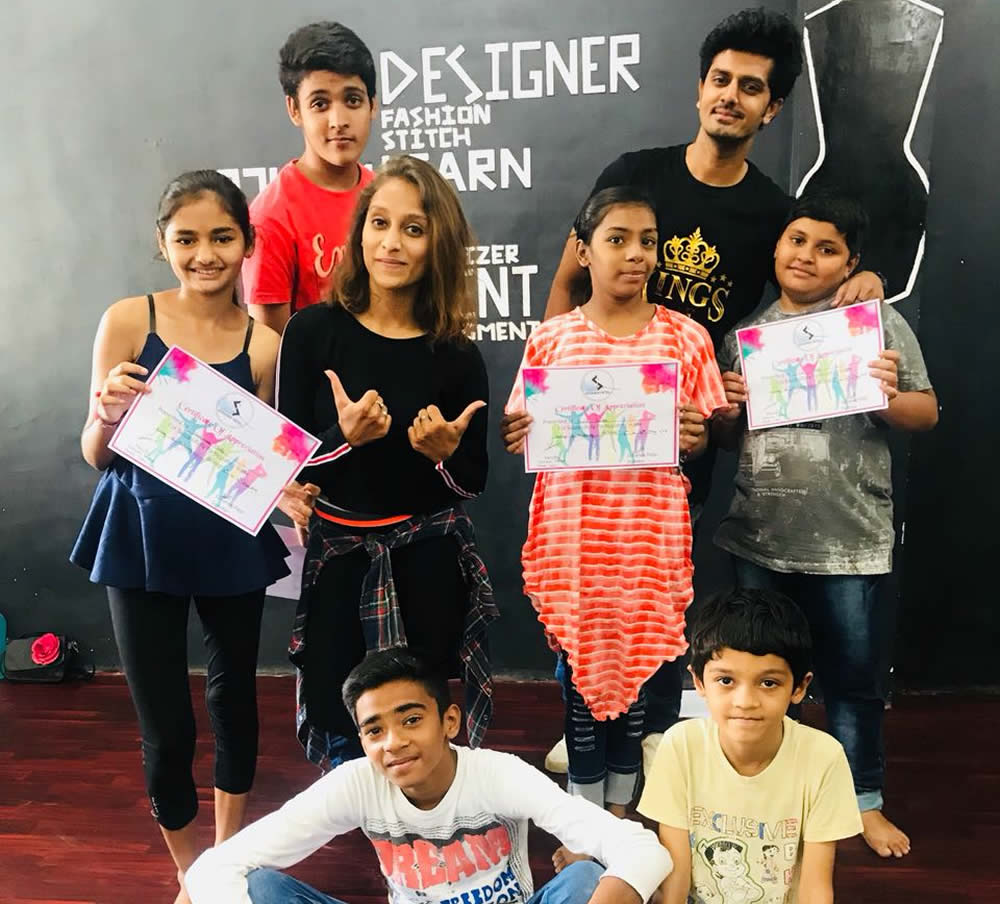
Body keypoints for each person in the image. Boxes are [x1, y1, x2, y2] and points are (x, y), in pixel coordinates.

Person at [531, 7, 887, 776]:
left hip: (683, 438)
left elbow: (811, 281)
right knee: (583, 582)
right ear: (699, 89)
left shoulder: (773, 212)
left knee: (658, 584)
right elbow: (565, 283)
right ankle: (587, 712)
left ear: (772, 107)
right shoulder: (635, 175)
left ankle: (655, 726)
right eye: (721, 79)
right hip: (588, 435)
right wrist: (551, 402)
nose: (731, 95)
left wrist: (865, 283)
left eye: (750, 87)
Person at [70, 171, 318, 904]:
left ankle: (224, 860)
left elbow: (263, 461)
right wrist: (107, 414)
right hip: (137, 534)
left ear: (246, 242)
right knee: (165, 724)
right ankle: (189, 872)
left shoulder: (265, 344)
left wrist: (290, 491)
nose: (204, 254)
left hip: (230, 542)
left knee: (234, 700)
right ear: (163, 243)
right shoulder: (127, 320)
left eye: (221, 237)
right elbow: (95, 454)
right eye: (187, 239)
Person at [712, 193, 938, 859]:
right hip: (759, 536)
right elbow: (725, 438)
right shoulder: (744, 337)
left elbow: (926, 412)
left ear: (851, 263)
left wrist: (887, 395)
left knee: (851, 680)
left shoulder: (873, 323)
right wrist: (727, 410)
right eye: (797, 240)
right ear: (777, 247)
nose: (807, 256)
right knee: (762, 676)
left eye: (827, 248)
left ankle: (862, 800)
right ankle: (771, 790)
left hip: (848, 541)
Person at [502, 188, 726, 836]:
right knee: (578, 680)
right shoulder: (552, 340)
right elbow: (523, 426)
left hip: (647, 536)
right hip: (573, 538)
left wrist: (698, 435)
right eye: (617, 239)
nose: (635, 254)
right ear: (584, 251)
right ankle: (583, 824)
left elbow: (708, 429)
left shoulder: (686, 338)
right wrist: (519, 433)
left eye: (648, 241)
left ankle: (621, 815)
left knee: (640, 677)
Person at [276, 155, 497, 772]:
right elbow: (285, 464)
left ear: (438, 246)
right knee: (338, 715)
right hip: (339, 557)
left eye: (413, 229)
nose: (391, 243)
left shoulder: (457, 355)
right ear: (359, 232)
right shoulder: (312, 331)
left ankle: (423, 822)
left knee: (418, 717)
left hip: (428, 558)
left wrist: (444, 456)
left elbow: (473, 481)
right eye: (379, 223)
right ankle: (360, 817)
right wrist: (342, 438)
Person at [185, 649, 673, 904]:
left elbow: (642, 847)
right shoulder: (356, 782)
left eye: (411, 719)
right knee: (261, 889)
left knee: (585, 878)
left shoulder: (498, 774)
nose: (393, 742)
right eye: (374, 730)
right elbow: (214, 869)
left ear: (450, 722)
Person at [638, 589, 863, 903]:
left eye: (768, 683)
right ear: (699, 682)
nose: (745, 702)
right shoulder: (680, 746)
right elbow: (675, 880)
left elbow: (816, 888)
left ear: (799, 687)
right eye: (726, 681)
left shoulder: (823, 758)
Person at [243, 21, 377, 334]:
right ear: (294, 109)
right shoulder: (271, 217)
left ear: (373, 105)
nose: (338, 121)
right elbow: (273, 347)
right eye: (320, 104)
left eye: (352, 100)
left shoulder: (385, 195)